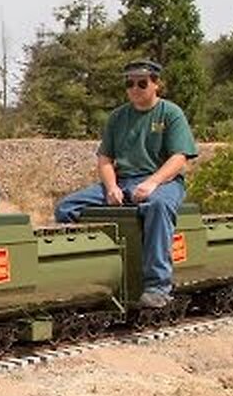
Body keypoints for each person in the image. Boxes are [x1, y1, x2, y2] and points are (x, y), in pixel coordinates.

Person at [54, 59, 199, 309]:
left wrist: (152, 183)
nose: (135, 88)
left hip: (163, 181)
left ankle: (158, 286)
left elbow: (179, 158)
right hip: (123, 181)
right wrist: (111, 187)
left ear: (156, 84)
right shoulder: (118, 117)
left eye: (142, 83)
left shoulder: (171, 113)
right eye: (129, 83)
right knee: (66, 207)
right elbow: (105, 158)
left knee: (158, 207)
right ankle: (86, 273)